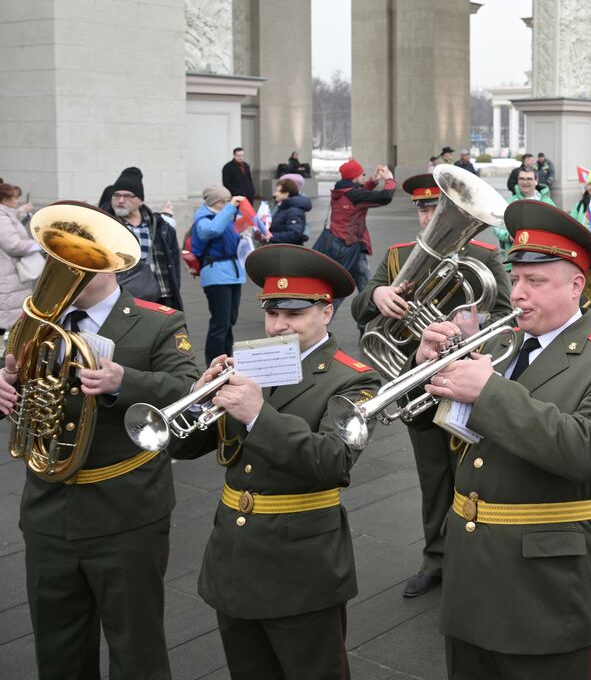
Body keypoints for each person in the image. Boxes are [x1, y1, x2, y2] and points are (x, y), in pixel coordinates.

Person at [412, 201, 591, 678]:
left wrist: (489, 393)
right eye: (515, 279)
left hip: (543, 585)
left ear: (577, 285)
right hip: (471, 572)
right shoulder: (498, 346)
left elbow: (587, 450)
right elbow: (440, 432)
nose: (518, 294)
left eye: (535, 282)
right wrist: (423, 376)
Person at [170, 245, 380, 679]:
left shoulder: (355, 377)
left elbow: (334, 461)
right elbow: (183, 448)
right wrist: (198, 401)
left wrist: (257, 415)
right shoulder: (254, 364)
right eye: (271, 313)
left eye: (294, 314)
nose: (278, 325)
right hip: (234, 554)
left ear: (326, 311)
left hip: (302, 564)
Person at [1, 242, 199, 680]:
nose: (60, 269)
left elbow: (189, 389)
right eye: (56, 258)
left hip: (125, 509)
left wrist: (123, 381)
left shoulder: (155, 322)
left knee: (135, 646)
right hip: (48, 508)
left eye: (76, 261)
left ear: (109, 263)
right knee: (57, 646)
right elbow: (10, 370)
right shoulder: (37, 323)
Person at [350, 173, 511, 600]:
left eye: (432, 207)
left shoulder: (482, 253)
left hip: (465, 377)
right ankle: (435, 558)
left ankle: (474, 557)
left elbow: (507, 315)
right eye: (424, 208)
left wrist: (469, 328)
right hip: (411, 377)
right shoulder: (397, 255)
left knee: (473, 471)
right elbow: (359, 306)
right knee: (432, 474)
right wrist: (380, 294)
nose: (428, 215)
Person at [102, 168, 182, 311]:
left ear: (140, 200)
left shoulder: (159, 226)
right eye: (116, 195)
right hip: (118, 299)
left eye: (127, 196)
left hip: (160, 297)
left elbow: (174, 262)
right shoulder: (105, 225)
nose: (120, 200)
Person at [326, 158, 397, 297]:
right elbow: (385, 197)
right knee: (346, 292)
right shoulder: (353, 195)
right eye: (362, 174)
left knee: (362, 286)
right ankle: (325, 315)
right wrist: (390, 180)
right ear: (354, 177)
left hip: (341, 244)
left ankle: (367, 315)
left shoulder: (341, 190)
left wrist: (374, 181)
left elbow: (358, 192)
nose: (364, 176)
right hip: (351, 247)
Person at [192, 186, 247, 363]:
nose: (228, 204)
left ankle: (227, 358)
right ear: (214, 202)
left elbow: (232, 239)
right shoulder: (203, 218)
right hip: (216, 275)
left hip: (232, 273)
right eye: (224, 201)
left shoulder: (225, 217)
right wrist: (231, 207)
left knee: (229, 320)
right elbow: (211, 231)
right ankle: (213, 362)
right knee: (220, 322)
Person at [0, 182, 40, 332]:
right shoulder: (1, 216)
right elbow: (14, 245)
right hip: (7, 275)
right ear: (5, 199)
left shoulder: (5, 213)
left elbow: (12, 219)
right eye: (15, 198)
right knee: (9, 316)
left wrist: (21, 211)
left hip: (10, 274)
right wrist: (37, 245)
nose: (17, 201)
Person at [267, 176, 312, 245]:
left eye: (278, 191)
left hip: (287, 251)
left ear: (286, 194)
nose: (274, 194)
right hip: (280, 248)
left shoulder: (294, 211)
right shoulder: (282, 207)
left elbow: (293, 235)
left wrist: (271, 236)